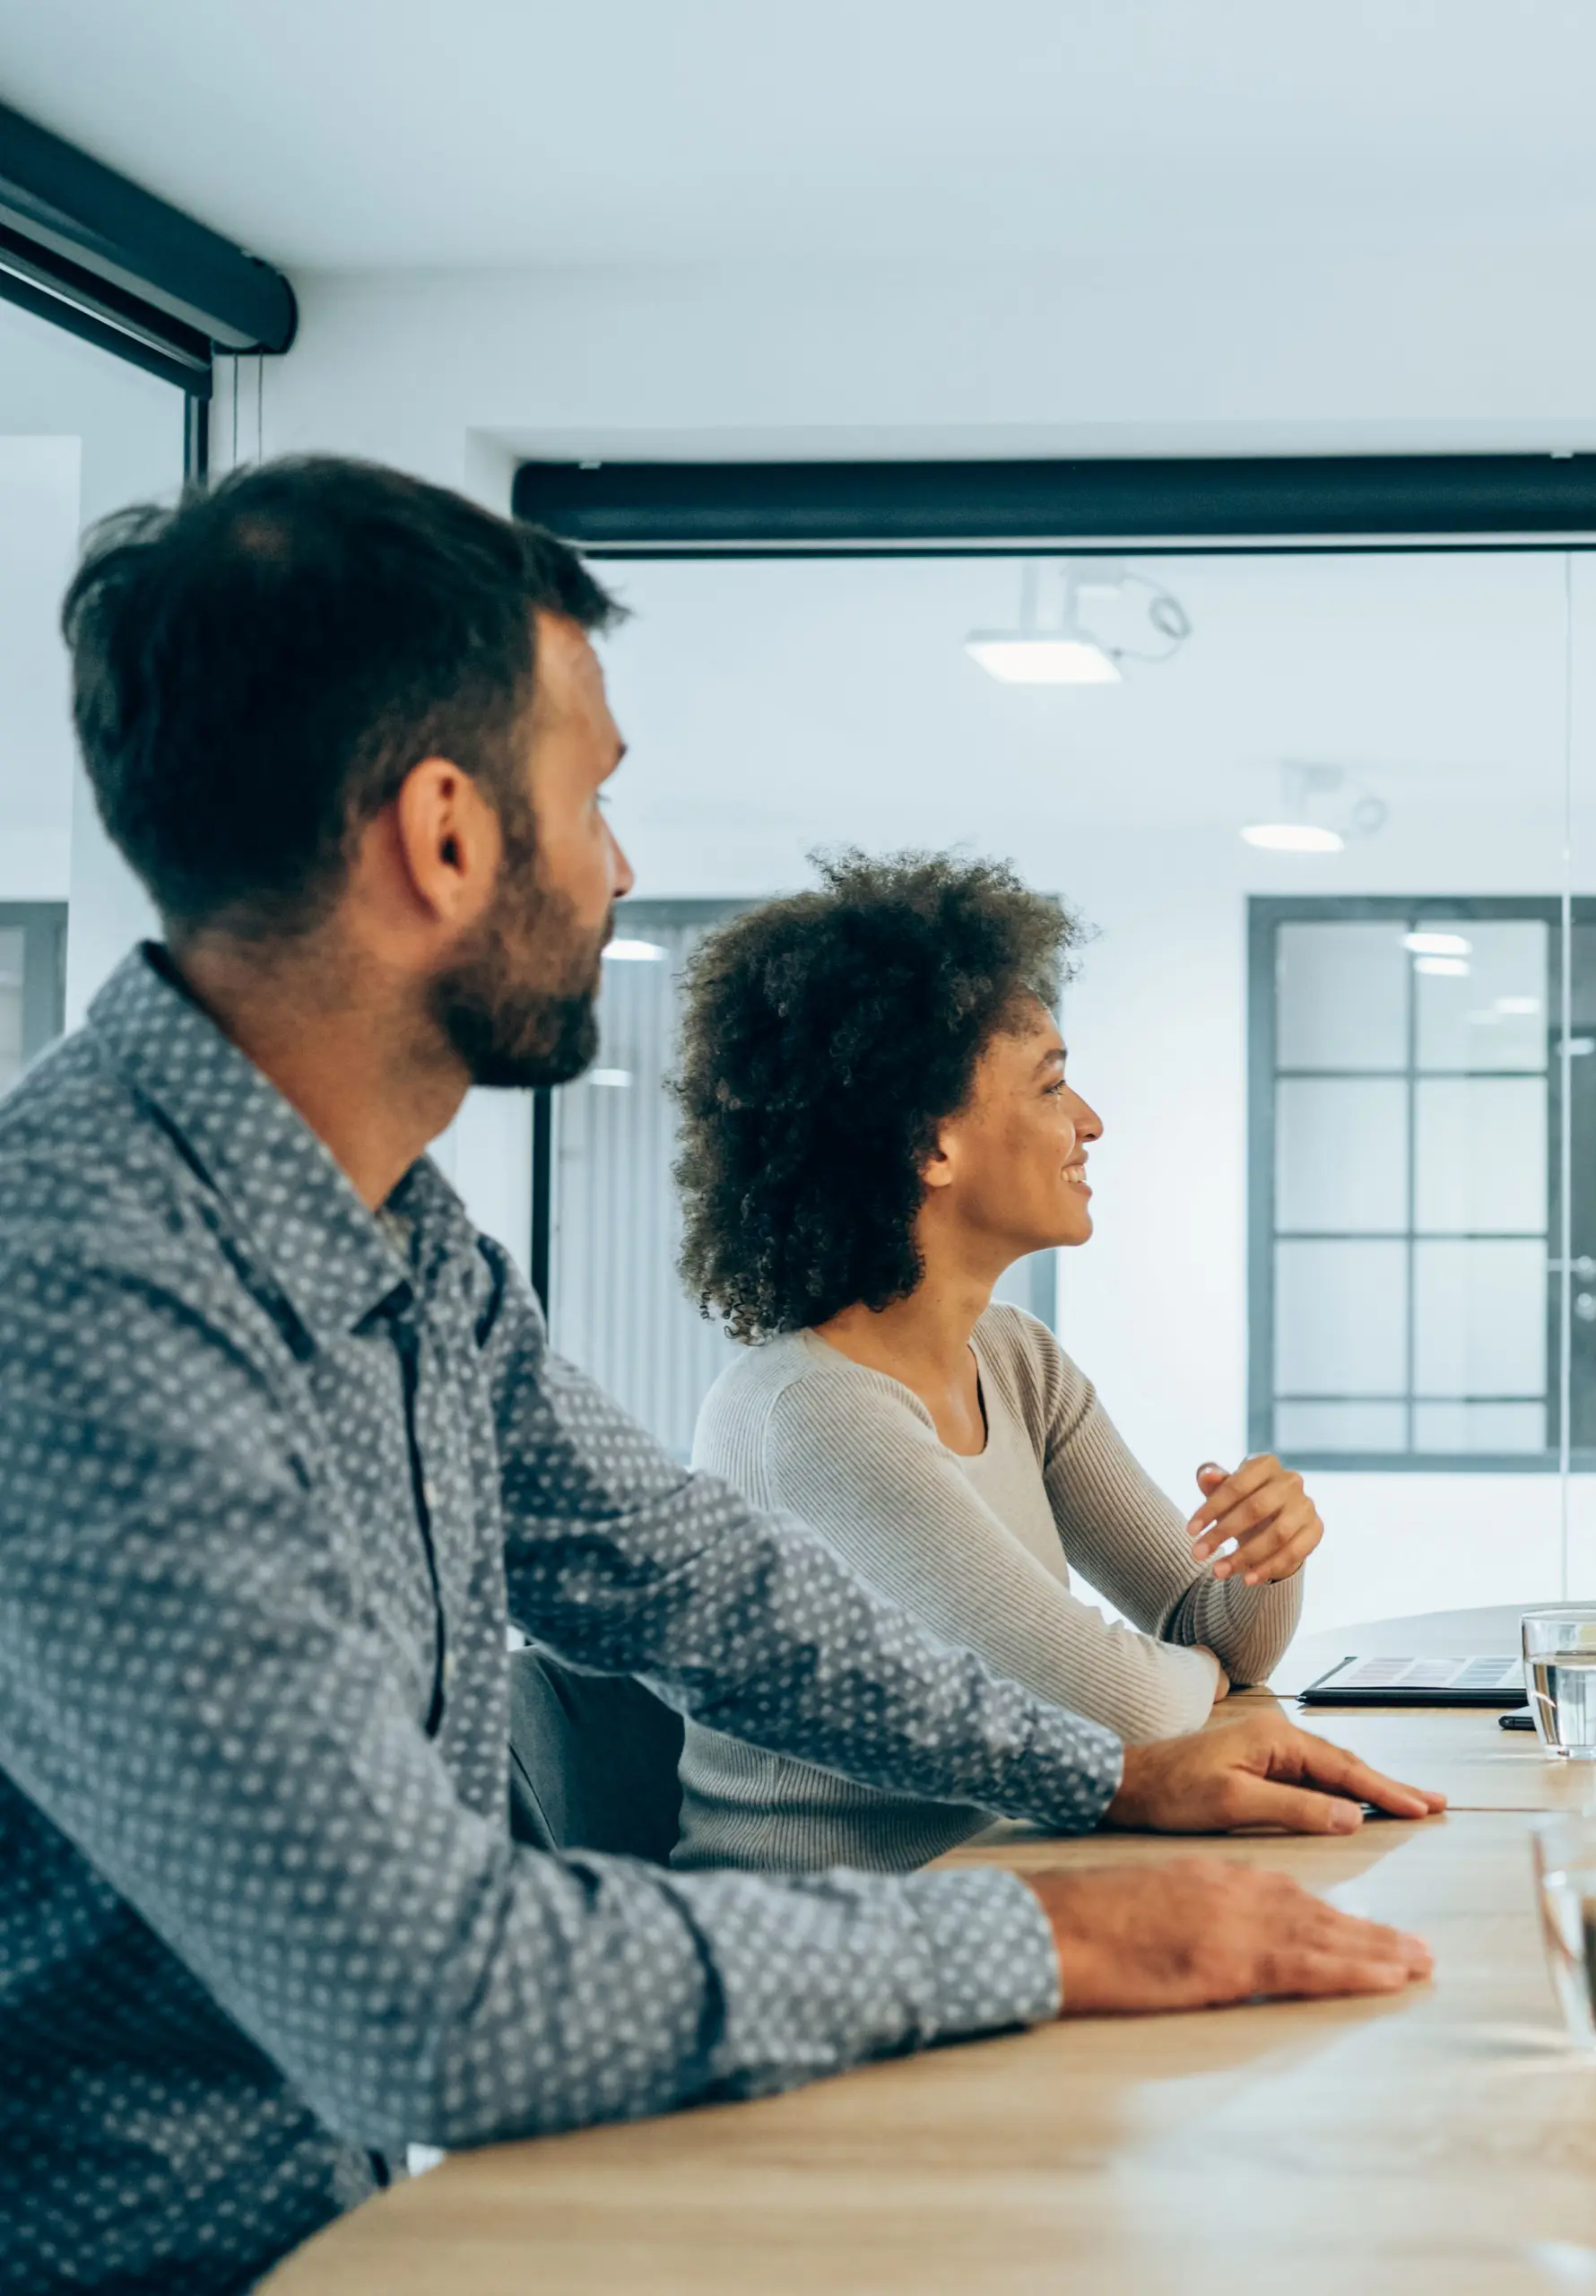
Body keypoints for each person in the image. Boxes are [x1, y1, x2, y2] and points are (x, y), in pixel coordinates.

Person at [0, 457, 1444, 2296]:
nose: (623, 865)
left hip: (374, 2226)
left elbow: (703, 1580)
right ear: (445, 834)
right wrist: (1055, 1937)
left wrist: (1101, 1775)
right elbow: (425, 1991)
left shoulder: (405, 1245)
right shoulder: (85, 1295)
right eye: (594, 795)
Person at [668, 853, 1320, 1869]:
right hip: (823, 1952)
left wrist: (1266, 1559)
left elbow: (1209, 1626)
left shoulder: (1016, 1360)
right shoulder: (813, 1413)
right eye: (1054, 1084)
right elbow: (1132, 1714)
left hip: (1006, 1884)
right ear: (931, 1147)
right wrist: (1198, 1672)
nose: (1090, 1122)